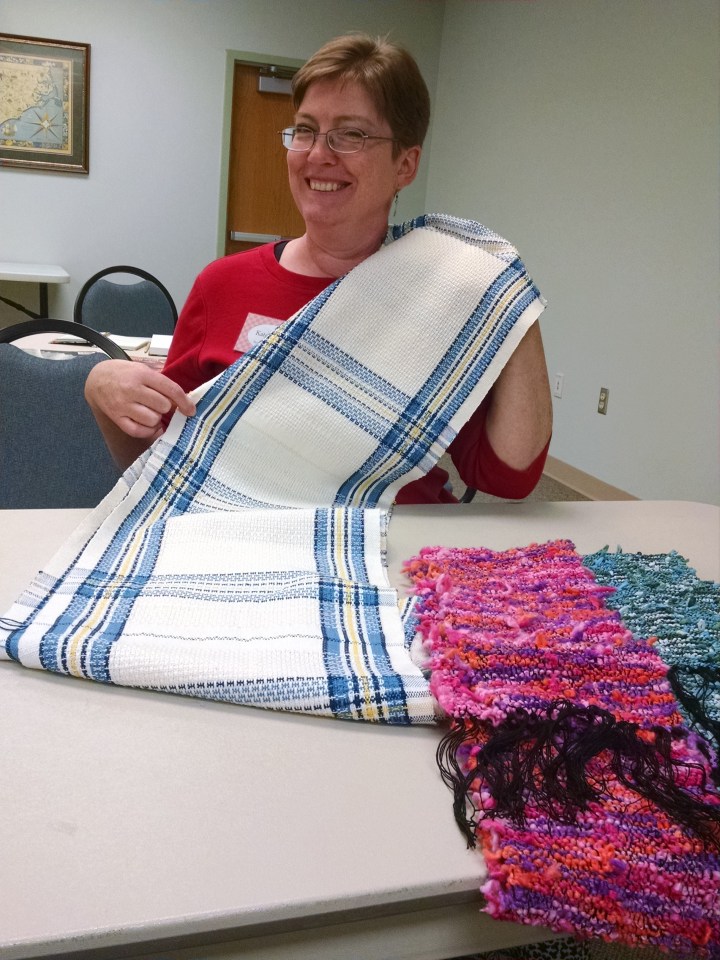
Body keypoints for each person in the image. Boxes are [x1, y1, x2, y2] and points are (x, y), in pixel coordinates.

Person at [85, 33, 552, 504]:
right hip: (248, 543)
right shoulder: (222, 285)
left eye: (351, 134)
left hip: (393, 545)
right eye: (305, 129)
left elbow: (507, 477)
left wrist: (507, 291)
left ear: (405, 165)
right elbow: (168, 478)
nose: (317, 154)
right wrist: (102, 390)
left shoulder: (438, 293)